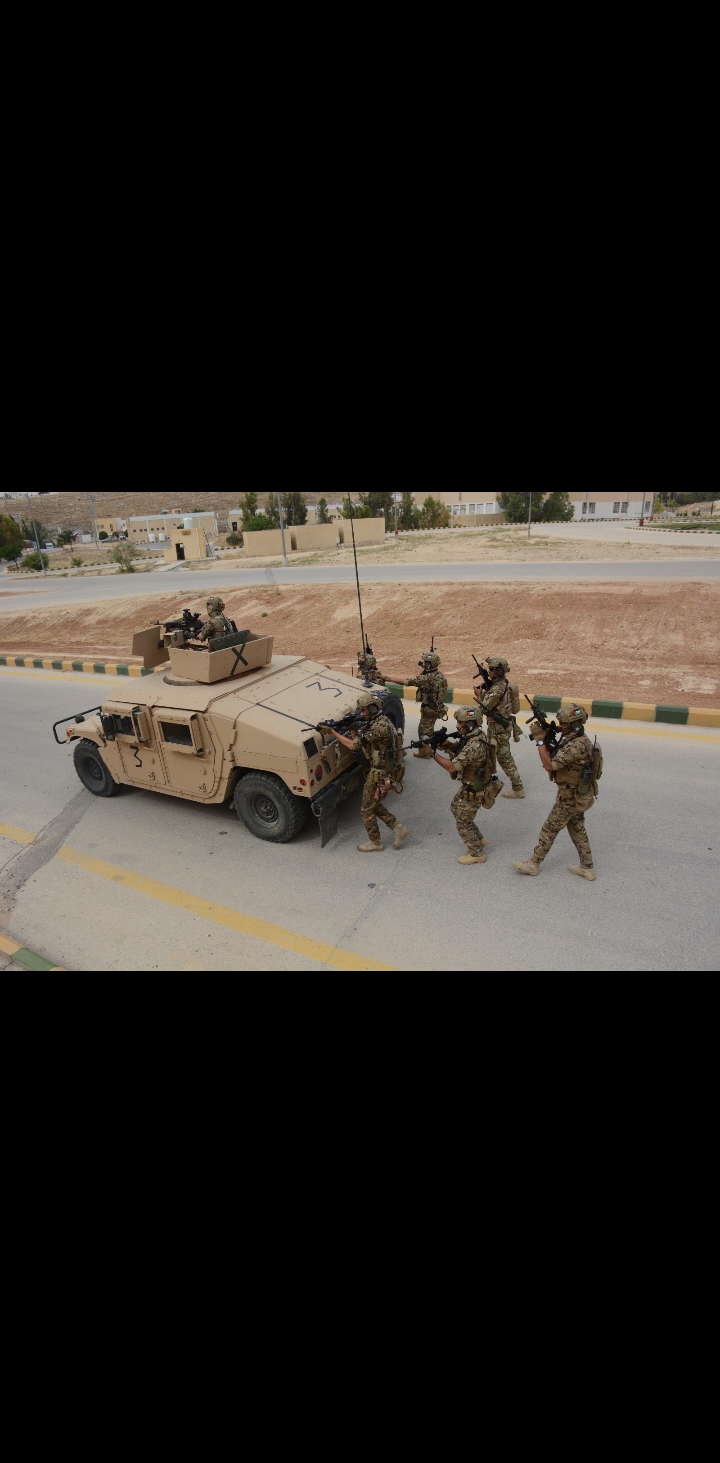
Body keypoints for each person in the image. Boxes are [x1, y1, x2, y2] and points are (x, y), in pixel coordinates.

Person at [513, 704, 602, 880]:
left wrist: (540, 741)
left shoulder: (576, 745)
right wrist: (546, 737)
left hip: (569, 797)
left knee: (549, 829)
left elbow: (550, 765)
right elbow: (555, 753)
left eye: (564, 723)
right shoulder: (576, 738)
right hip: (576, 795)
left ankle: (533, 864)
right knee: (577, 829)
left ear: (575, 724)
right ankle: (587, 868)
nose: (561, 726)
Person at [329, 691, 409, 852]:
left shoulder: (379, 728)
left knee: (366, 809)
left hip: (379, 774)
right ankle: (398, 828)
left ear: (373, 709)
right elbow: (358, 740)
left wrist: (332, 732)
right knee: (373, 804)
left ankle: (375, 842)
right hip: (383, 770)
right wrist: (352, 727)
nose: (362, 713)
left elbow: (354, 745)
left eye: (365, 710)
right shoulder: (381, 720)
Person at [431, 706, 502, 864]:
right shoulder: (476, 736)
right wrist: (446, 744)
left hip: (474, 789)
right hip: (471, 785)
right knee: (455, 808)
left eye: (460, 723)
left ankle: (476, 853)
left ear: (470, 725)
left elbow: (452, 767)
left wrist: (432, 754)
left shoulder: (474, 746)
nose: (457, 726)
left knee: (462, 821)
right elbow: (460, 749)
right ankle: (479, 838)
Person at [474, 656, 524, 797]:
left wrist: (479, 696)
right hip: (496, 726)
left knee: (504, 758)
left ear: (499, 671)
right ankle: (487, 780)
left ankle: (518, 788)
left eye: (491, 669)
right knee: (490, 752)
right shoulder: (501, 684)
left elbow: (484, 708)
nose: (489, 671)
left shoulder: (497, 689)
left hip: (499, 728)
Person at [387, 650, 447, 758]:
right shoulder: (439, 676)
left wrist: (387, 679)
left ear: (429, 664)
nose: (423, 664)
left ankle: (429, 751)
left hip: (429, 709)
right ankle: (425, 751)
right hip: (435, 708)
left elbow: (407, 682)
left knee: (424, 733)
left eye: (425, 662)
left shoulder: (426, 678)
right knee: (427, 730)